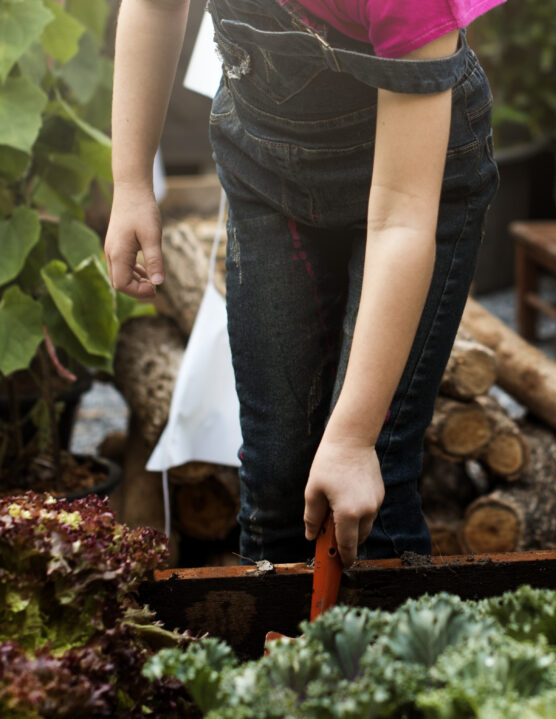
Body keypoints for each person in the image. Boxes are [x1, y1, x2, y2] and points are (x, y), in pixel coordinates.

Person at [105, 0, 502, 566]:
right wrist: (131, 183)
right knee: (275, 478)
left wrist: (353, 438)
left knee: (375, 483)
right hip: (267, 175)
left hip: (416, 196)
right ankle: (279, 649)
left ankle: (381, 653)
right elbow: (153, 6)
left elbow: (400, 221)